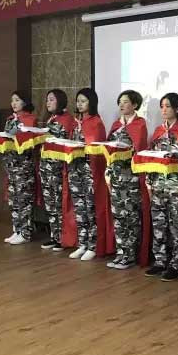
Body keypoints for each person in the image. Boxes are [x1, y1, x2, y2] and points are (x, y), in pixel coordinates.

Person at [144, 93, 178, 281]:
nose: (164, 110)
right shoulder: (158, 130)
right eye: (162, 106)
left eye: (168, 106)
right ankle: (160, 260)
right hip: (158, 184)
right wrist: (149, 181)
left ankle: (177, 264)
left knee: (177, 225)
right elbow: (151, 157)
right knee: (159, 223)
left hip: (176, 185)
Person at [105, 90, 149, 270]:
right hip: (116, 177)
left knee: (131, 216)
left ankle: (130, 255)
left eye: (125, 102)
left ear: (135, 105)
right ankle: (121, 252)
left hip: (130, 179)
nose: (121, 105)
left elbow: (139, 151)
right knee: (118, 216)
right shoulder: (116, 124)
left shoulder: (140, 124)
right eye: (120, 102)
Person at [67, 88, 106, 261]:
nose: (80, 104)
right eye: (78, 101)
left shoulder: (96, 122)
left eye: (83, 101)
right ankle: (82, 243)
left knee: (90, 208)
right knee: (79, 208)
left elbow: (97, 149)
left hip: (90, 171)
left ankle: (93, 245)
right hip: (75, 170)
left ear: (92, 103)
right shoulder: (76, 121)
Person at [40, 89, 77, 252]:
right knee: (50, 204)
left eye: (51, 99)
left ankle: (63, 238)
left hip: (58, 169)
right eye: (47, 99)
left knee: (59, 203)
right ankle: (54, 236)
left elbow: (66, 142)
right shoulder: (51, 119)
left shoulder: (67, 120)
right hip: (46, 167)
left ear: (60, 101)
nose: (48, 102)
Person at [2, 90, 37, 245]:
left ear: (25, 102)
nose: (13, 103)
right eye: (12, 100)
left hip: (23, 166)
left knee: (24, 200)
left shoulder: (30, 119)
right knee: (13, 200)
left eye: (17, 100)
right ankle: (17, 230)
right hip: (11, 166)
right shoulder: (10, 119)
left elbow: (29, 143)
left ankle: (25, 233)